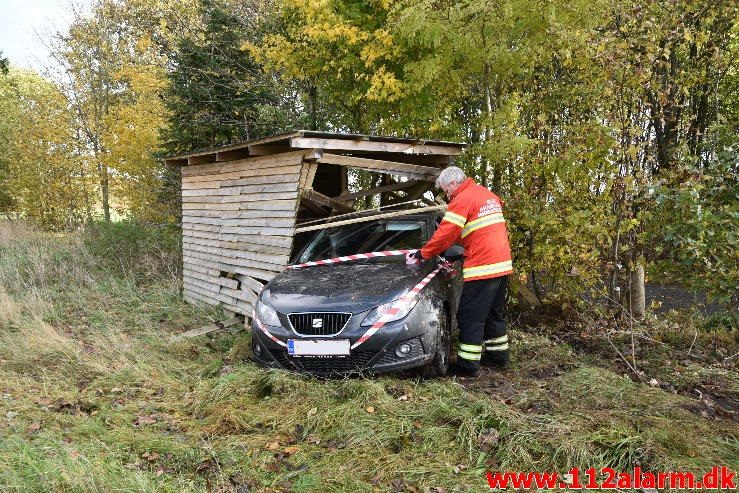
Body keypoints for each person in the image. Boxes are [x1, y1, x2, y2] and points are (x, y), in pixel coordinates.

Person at [408, 167, 513, 378]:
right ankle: (498, 357)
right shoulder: (486, 194)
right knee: (493, 312)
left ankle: (468, 365)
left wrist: (423, 254)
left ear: (454, 183)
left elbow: (446, 233)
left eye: (446, 190)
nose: (447, 195)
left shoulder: (463, 199)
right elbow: (476, 230)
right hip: (502, 264)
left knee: (469, 316)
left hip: (483, 266)